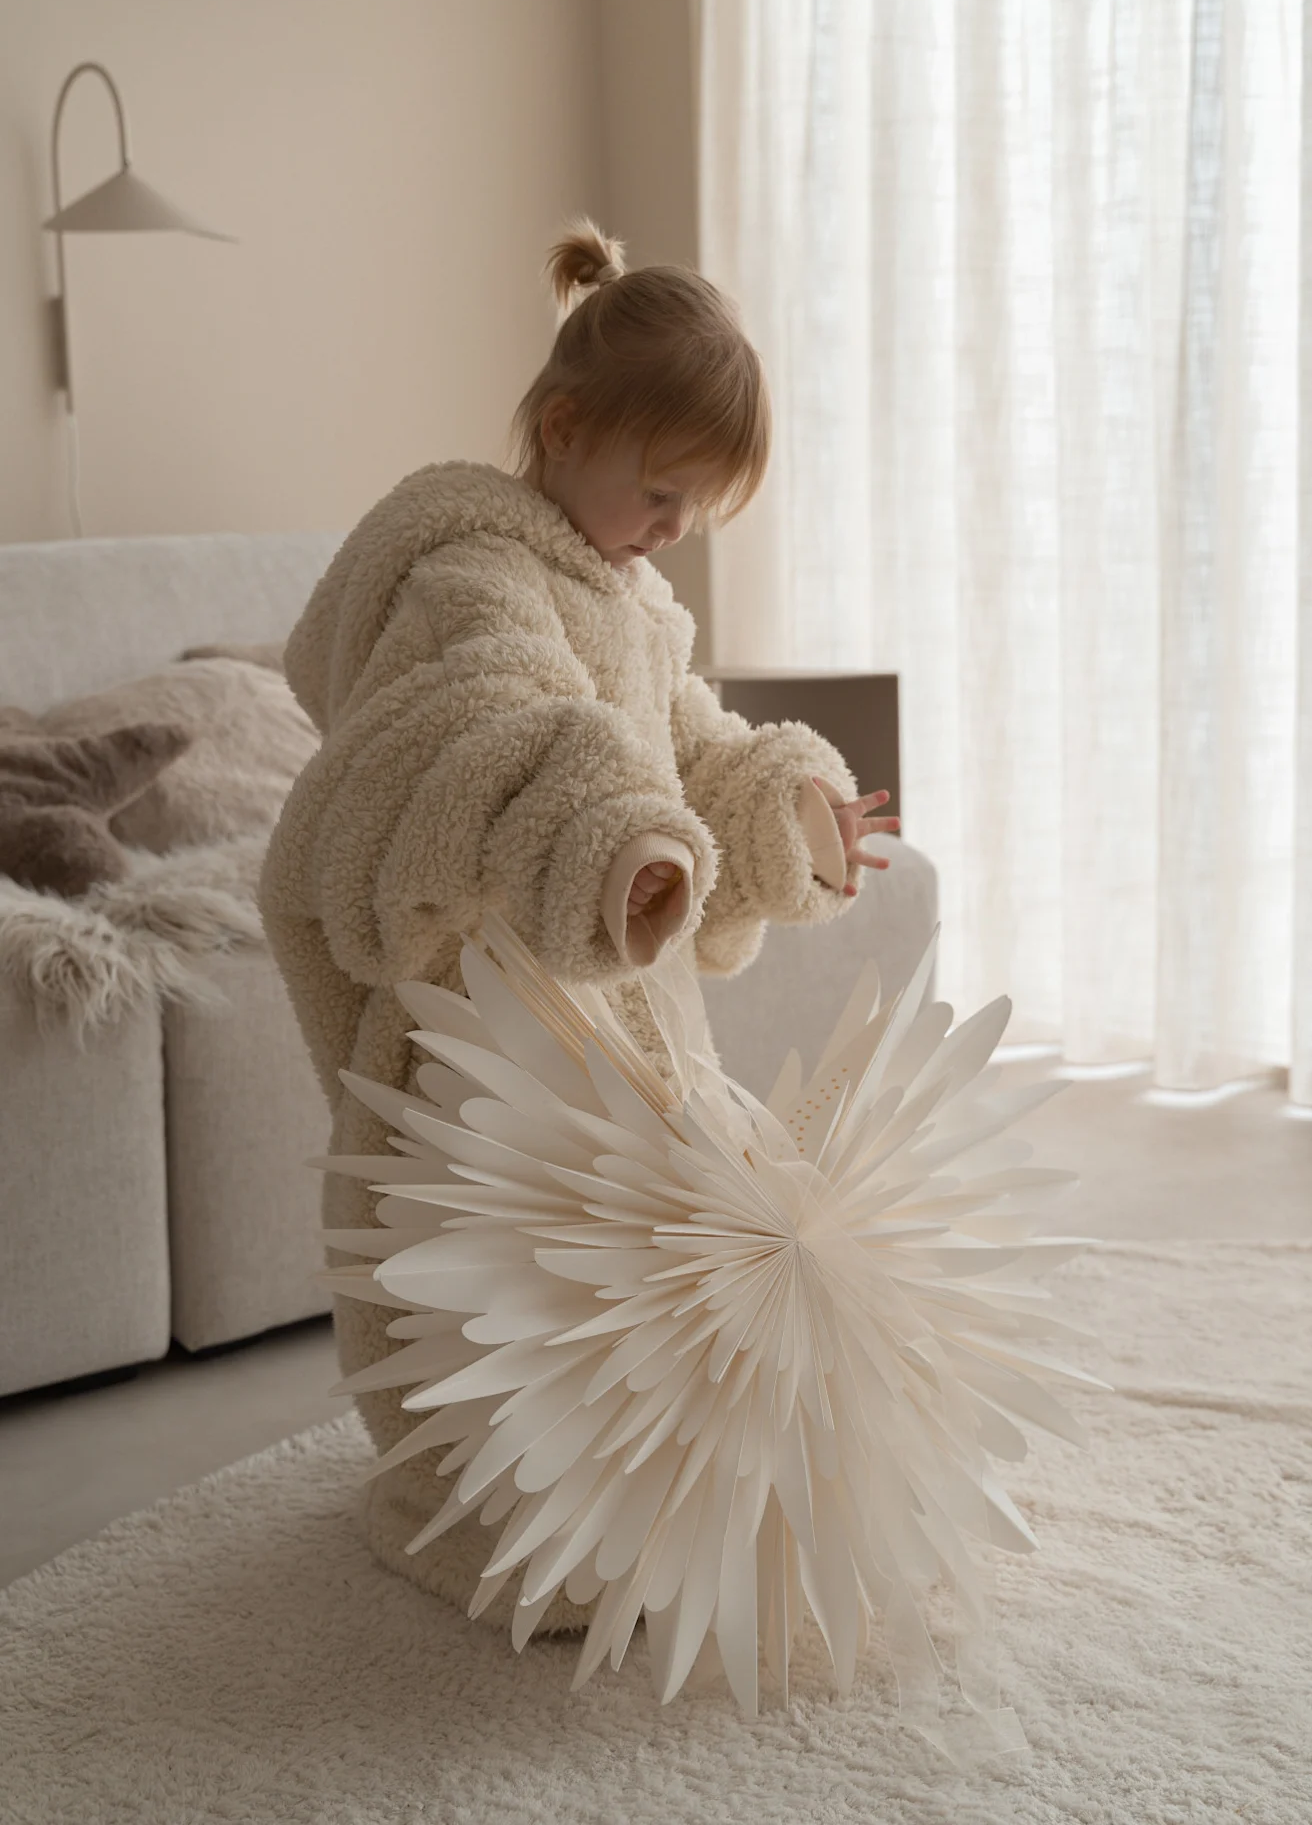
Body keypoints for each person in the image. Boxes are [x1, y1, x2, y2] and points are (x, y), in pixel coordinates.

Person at [259, 218, 899, 1626]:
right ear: (563, 430)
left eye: (695, 515)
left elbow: (691, 742)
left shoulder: (632, 603)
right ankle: (478, 1491)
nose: (672, 535)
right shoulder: (468, 576)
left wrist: (783, 803)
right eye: (663, 496)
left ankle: (640, 1485)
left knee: (666, 1234)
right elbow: (501, 721)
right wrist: (604, 830)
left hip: (607, 986)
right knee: (497, 1256)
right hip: (483, 997)